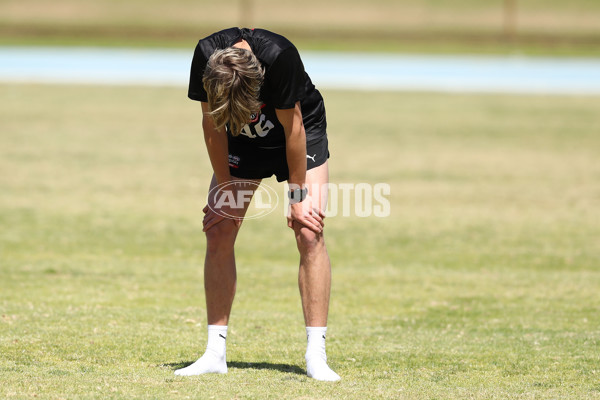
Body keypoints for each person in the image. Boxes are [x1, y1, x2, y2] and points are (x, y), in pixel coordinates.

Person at [174, 27, 340, 382]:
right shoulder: (205, 55)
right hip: (240, 138)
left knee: (308, 231)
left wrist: (297, 199)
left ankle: (316, 355)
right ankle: (214, 353)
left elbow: (293, 129)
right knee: (218, 229)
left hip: (298, 130)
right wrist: (225, 190)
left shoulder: (279, 58)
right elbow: (211, 125)